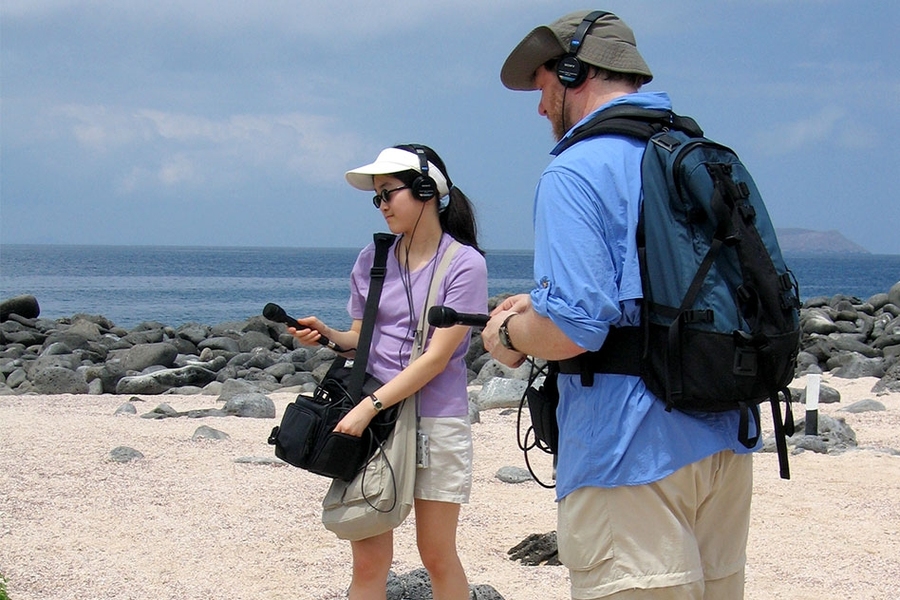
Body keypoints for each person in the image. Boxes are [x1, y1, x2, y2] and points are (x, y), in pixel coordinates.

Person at [482, 11, 757, 599]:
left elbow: (574, 327)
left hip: (628, 449)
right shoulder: (693, 154)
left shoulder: (578, 169)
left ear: (574, 71)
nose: (538, 109)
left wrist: (506, 333)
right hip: (722, 438)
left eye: (542, 89)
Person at [290, 144, 487, 600]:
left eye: (387, 193)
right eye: (375, 197)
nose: (381, 206)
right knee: (369, 562)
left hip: (433, 420)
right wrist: (329, 335)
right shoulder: (372, 259)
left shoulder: (465, 264)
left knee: (436, 555)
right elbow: (362, 336)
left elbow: (437, 358)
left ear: (425, 190)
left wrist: (366, 407)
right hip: (377, 420)